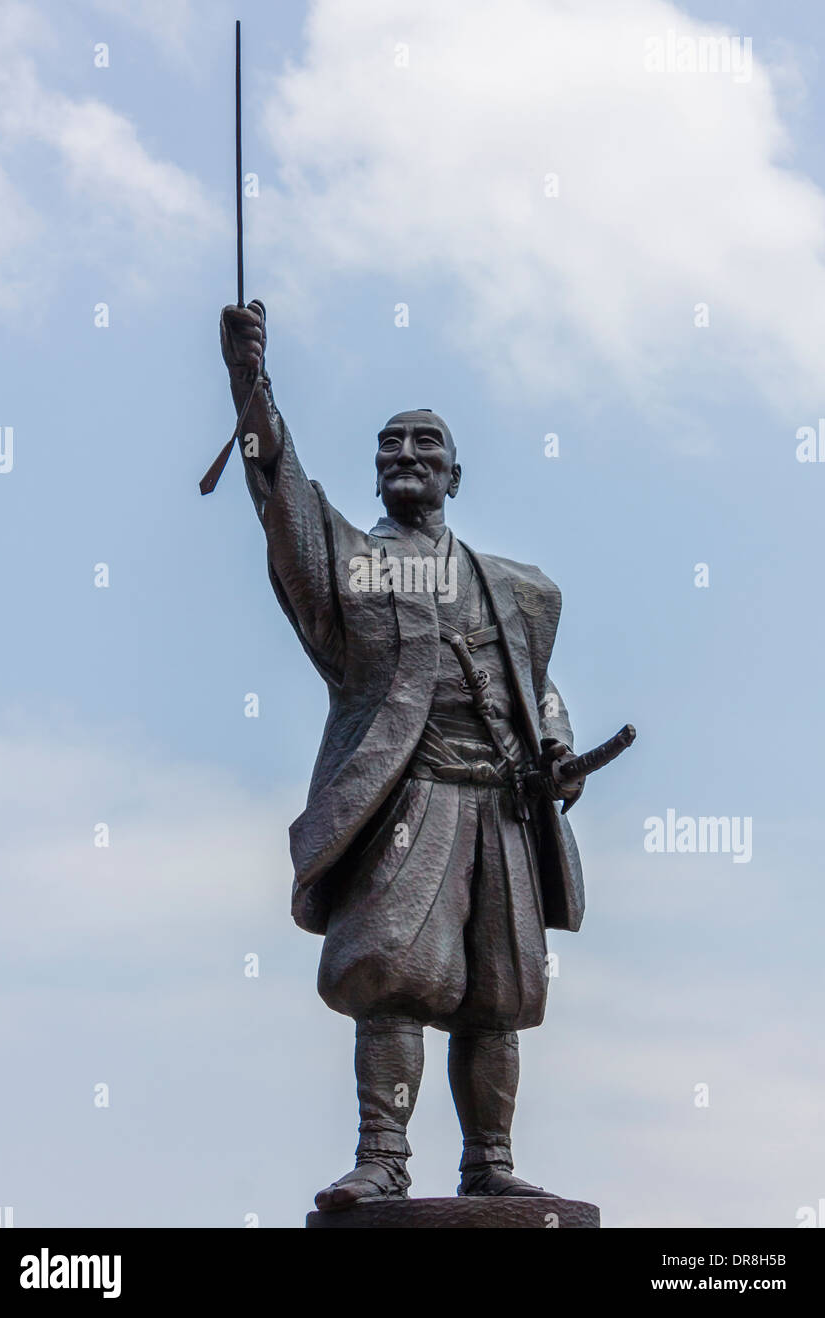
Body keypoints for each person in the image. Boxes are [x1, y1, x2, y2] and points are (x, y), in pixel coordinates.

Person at [219, 299, 586, 1211]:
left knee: (499, 994)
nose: (407, 457)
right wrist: (250, 385)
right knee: (393, 976)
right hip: (408, 798)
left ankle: (489, 1161)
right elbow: (285, 501)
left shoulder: (518, 589)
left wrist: (561, 743)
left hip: (501, 803)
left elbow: (535, 683)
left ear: (456, 473)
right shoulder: (354, 568)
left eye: (426, 445)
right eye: (390, 447)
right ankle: (382, 1156)